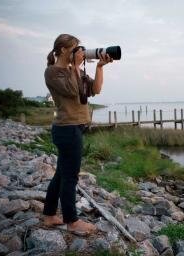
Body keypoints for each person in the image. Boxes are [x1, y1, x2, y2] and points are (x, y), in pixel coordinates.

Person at [42, 34, 113, 234]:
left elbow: (96, 90)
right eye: (76, 48)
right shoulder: (53, 72)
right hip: (66, 128)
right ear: (64, 50)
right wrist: (75, 66)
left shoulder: (76, 71)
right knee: (70, 176)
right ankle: (72, 221)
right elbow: (73, 92)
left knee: (60, 174)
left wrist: (99, 67)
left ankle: (49, 216)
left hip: (75, 128)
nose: (80, 52)